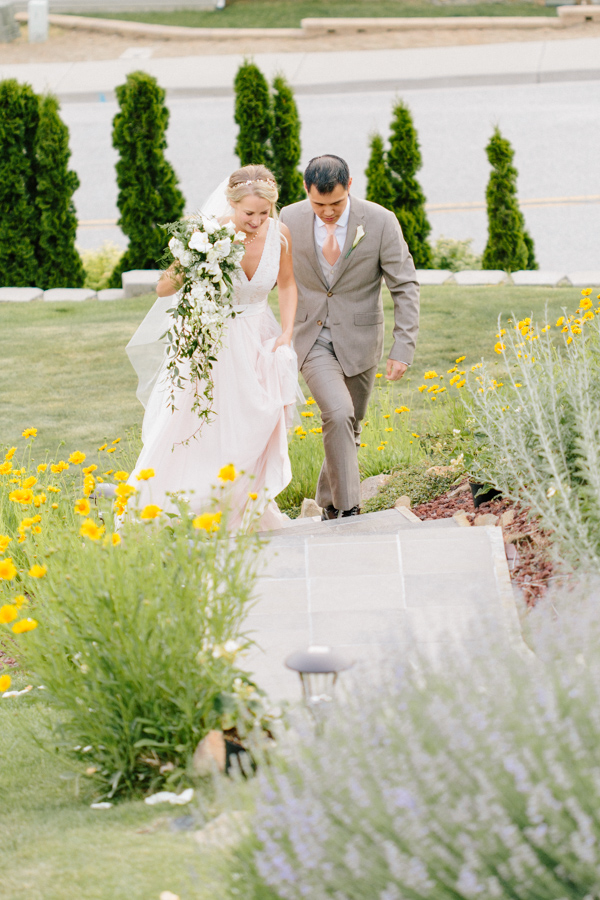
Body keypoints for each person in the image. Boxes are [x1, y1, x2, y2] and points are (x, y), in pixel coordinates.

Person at [124, 164, 300, 531]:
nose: (255, 221)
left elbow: (286, 284)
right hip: (211, 343)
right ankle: (174, 505)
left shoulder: (279, 235)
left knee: (252, 424)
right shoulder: (210, 233)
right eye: (248, 213)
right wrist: (195, 255)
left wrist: (286, 332)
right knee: (197, 425)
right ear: (231, 203)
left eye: (263, 213)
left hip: (255, 339)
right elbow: (163, 289)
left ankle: (238, 507)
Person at [279, 154, 420, 520]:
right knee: (338, 414)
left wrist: (402, 347)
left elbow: (404, 286)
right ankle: (348, 508)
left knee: (350, 424)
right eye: (319, 204)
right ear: (305, 190)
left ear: (350, 186)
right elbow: (277, 276)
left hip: (360, 341)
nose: (327, 212)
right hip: (311, 337)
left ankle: (326, 501)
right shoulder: (289, 219)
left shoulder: (380, 221)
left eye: (336, 204)